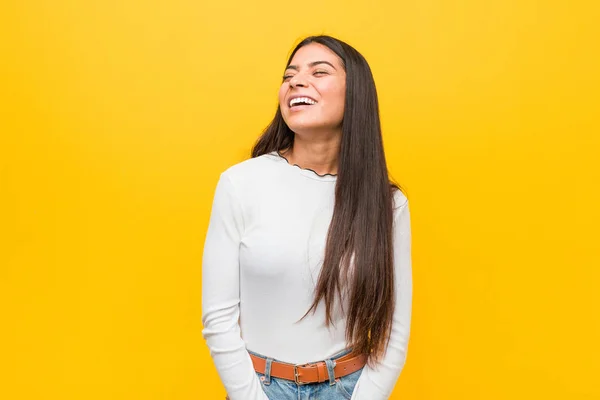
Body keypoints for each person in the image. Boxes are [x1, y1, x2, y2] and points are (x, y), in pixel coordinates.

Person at [201, 35, 413, 400]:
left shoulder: (387, 204)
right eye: (290, 75)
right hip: (259, 389)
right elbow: (218, 318)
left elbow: (392, 329)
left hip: (349, 388)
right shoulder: (240, 183)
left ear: (356, 93)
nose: (297, 82)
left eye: (319, 72)